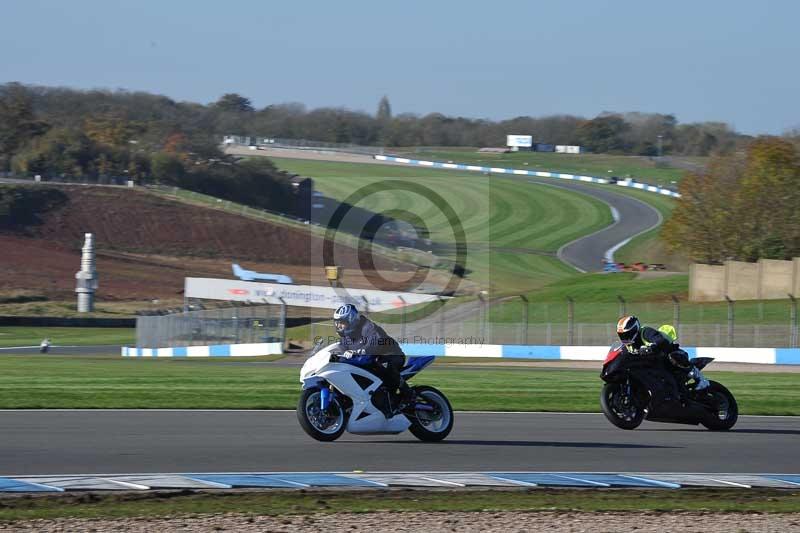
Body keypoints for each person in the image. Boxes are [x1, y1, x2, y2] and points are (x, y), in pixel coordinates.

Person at [332, 304, 414, 408]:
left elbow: (375, 343)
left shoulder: (368, 327)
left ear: (351, 320)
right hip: (369, 360)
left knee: (383, 364)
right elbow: (342, 351)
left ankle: (408, 393)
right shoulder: (345, 337)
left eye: (341, 323)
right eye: (337, 323)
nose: (338, 326)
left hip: (391, 355)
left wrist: (358, 351)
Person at [616, 315, 709, 391]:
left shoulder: (645, 332)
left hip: (669, 355)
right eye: (622, 335)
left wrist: (651, 347)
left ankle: (700, 379)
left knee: (673, 356)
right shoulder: (628, 345)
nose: (624, 337)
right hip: (654, 366)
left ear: (634, 329)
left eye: (626, 334)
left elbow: (660, 340)